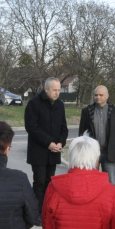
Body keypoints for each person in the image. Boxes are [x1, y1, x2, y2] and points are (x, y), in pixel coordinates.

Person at [24, 77, 68, 217]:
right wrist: (49, 143)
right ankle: (36, 212)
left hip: (54, 151)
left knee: (51, 183)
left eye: (59, 90)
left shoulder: (59, 105)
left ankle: (48, 211)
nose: (57, 93)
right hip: (39, 151)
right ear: (47, 89)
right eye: (54, 90)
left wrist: (61, 142)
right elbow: (32, 127)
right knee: (39, 182)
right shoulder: (34, 104)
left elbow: (64, 127)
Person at [78, 85, 115, 184]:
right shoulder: (87, 111)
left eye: (101, 95)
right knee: (91, 181)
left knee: (110, 181)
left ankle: (111, 199)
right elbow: (81, 133)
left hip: (108, 152)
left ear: (107, 96)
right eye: (96, 95)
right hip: (91, 153)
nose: (98, 97)